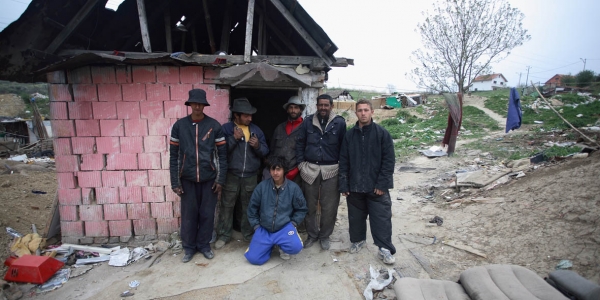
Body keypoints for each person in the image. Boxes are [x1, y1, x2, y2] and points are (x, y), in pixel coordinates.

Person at [169, 88, 227, 263]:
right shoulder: (180, 126)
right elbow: (174, 156)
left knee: (207, 214)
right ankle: (188, 248)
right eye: (194, 103)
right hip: (187, 179)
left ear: (204, 105)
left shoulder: (214, 126)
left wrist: (220, 180)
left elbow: (222, 156)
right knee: (189, 215)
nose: (197, 107)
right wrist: (175, 182)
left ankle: (204, 245)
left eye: (200, 104)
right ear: (189, 104)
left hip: (209, 180)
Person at [338, 99, 396, 264]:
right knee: (355, 217)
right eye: (360, 110)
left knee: (381, 218)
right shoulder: (349, 136)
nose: (363, 113)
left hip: (376, 188)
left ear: (372, 112)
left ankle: (384, 248)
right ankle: (358, 241)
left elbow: (389, 161)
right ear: (356, 113)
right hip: (355, 186)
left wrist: (382, 184)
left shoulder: (382, 134)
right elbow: (344, 161)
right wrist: (344, 184)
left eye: (366, 110)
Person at [215, 97, 269, 249]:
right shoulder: (226, 129)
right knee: (227, 205)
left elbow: (266, 151)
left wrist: (258, 146)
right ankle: (224, 235)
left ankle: (248, 234)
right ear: (236, 116)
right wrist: (233, 139)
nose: (250, 118)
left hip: (251, 175)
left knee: (249, 206)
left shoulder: (256, 130)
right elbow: (220, 152)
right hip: (231, 175)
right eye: (246, 115)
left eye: (251, 115)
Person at [296, 94, 346, 250]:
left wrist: (342, 168)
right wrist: (300, 164)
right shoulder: (308, 122)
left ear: (331, 106)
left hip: (331, 170)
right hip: (310, 169)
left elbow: (344, 148)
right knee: (309, 205)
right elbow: (300, 144)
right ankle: (312, 235)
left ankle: (325, 236)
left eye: (326, 105)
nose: (323, 108)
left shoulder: (339, 123)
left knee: (329, 206)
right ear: (316, 106)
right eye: (320, 105)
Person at [245, 156, 307, 265]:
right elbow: (252, 208)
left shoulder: (293, 188)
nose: (275, 173)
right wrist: (256, 226)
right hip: (264, 229)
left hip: (284, 228)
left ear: (284, 170)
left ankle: (282, 246)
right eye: (272, 169)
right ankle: (269, 245)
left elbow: (301, 209)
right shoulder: (262, 187)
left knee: (296, 247)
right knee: (254, 259)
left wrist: (293, 223)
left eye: (278, 169)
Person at [266, 95, 305, 185]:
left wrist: (295, 171)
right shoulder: (279, 128)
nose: (293, 110)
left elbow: (306, 154)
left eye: (296, 108)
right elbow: (272, 151)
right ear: (287, 110)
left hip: (297, 174)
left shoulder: (306, 128)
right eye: (290, 108)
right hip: (278, 173)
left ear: (301, 110)